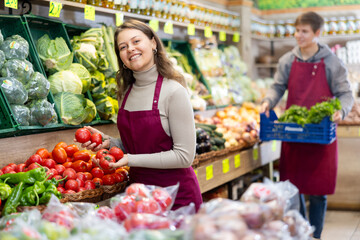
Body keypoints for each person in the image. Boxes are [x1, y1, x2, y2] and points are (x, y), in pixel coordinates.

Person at [81, 19, 203, 211]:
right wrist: (111, 144)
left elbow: (184, 156)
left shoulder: (174, 91)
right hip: (138, 196)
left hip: (176, 197)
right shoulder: (126, 92)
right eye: (123, 47)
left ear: (153, 43)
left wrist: (130, 159)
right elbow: (143, 144)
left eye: (136, 41)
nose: (130, 49)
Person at [260, 12, 353, 239]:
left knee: (319, 191)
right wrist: (267, 101)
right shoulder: (287, 60)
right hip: (294, 133)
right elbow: (278, 86)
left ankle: (316, 234)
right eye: (297, 30)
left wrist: (340, 110)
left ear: (317, 33)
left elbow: (345, 93)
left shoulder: (332, 61)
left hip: (321, 134)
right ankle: (301, 232)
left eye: (304, 31)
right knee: (293, 187)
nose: (298, 35)